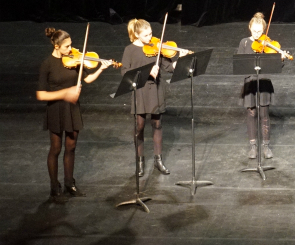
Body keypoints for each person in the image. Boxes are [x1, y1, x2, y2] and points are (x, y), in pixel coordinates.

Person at [37, 27, 112, 201]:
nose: (70, 50)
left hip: (72, 108)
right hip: (56, 109)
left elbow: (86, 79)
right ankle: (54, 187)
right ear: (56, 46)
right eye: (66, 47)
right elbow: (41, 94)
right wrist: (65, 93)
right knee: (56, 149)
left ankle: (70, 183)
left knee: (71, 147)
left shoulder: (74, 60)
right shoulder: (47, 64)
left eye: (71, 45)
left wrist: (101, 69)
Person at [120, 19, 189, 177]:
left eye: (151, 33)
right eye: (146, 35)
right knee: (139, 126)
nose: (150, 38)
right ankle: (140, 162)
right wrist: (147, 72)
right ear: (137, 35)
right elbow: (125, 72)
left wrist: (181, 58)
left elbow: (169, 67)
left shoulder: (157, 47)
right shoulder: (129, 50)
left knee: (157, 124)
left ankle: (158, 161)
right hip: (140, 91)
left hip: (156, 89)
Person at [237, 12, 286, 159]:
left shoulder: (267, 43)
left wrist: (280, 59)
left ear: (264, 30)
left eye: (260, 31)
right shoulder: (244, 43)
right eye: (254, 30)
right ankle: (253, 147)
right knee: (251, 114)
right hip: (250, 82)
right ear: (250, 28)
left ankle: (266, 146)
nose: (257, 34)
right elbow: (239, 64)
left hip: (263, 82)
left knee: (264, 115)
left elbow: (276, 66)